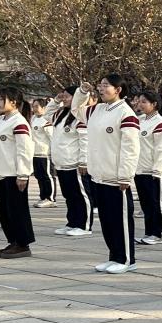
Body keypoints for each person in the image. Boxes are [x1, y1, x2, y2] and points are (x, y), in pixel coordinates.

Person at [74, 75, 140, 272]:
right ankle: (115, 256)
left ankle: (127, 260)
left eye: (106, 86)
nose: (101, 89)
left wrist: (125, 175)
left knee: (120, 220)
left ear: (118, 89)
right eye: (100, 85)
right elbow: (77, 110)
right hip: (99, 174)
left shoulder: (126, 113)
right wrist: (82, 93)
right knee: (107, 220)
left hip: (116, 176)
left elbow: (131, 148)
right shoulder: (96, 109)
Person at [0, 87, 36, 258]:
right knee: (3, 211)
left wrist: (23, 174)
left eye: (1, 99)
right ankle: (13, 240)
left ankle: (23, 243)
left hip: (13, 174)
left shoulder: (19, 122)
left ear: (13, 102)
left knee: (17, 210)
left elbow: (25, 150)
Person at [42, 89, 93, 237]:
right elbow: (47, 114)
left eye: (68, 96)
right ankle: (72, 222)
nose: (65, 98)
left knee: (80, 195)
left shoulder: (81, 116)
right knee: (69, 195)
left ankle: (84, 225)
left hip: (75, 163)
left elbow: (85, 141)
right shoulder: (60, 114)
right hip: (61, 162)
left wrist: (84, 162)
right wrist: (56, 100)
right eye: (63, 95)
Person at [133, 88, 162, 245]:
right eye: (139, 101)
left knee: (157, 202)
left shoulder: (161, 124)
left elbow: (161, 149)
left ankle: (160, 233)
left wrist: (157, 170)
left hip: (155, 170)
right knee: (146, 203)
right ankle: (150, 232)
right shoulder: (140, 120)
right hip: (140, 169)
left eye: (144, 102)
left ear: (154, 104)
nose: (140, 104)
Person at [29, 98, 58, 208]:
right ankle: (43, 197)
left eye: (37, 106)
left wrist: (53, 152)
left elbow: (52, 137)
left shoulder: (46, 121)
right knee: (39, 176)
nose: (34, 109)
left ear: (44, 108)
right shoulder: (33, 118)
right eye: (33, 106)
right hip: (35, 153)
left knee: (48, 176)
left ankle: (51, 198)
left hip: (45, 153)